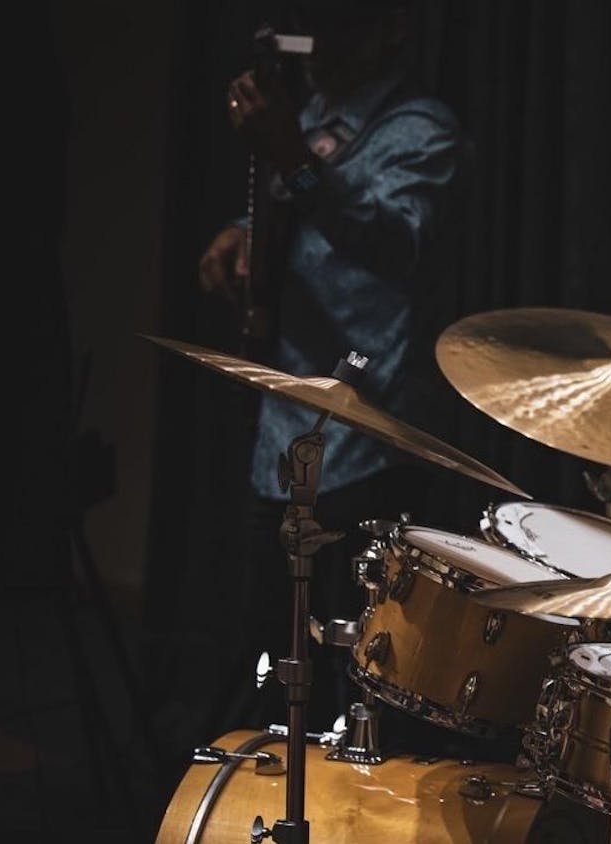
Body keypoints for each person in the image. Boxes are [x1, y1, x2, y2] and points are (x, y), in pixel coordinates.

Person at [194, 0, 476, 748]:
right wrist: (241, 233)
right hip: (283, 431)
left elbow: (392, 242)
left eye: (343, 25)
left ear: (390, 30)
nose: (318, 44)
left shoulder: (421, 131)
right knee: (263, 657)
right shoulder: (315, 113)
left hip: (366, 440)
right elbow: (288, 205)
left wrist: (290, 158)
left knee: (346, 670)